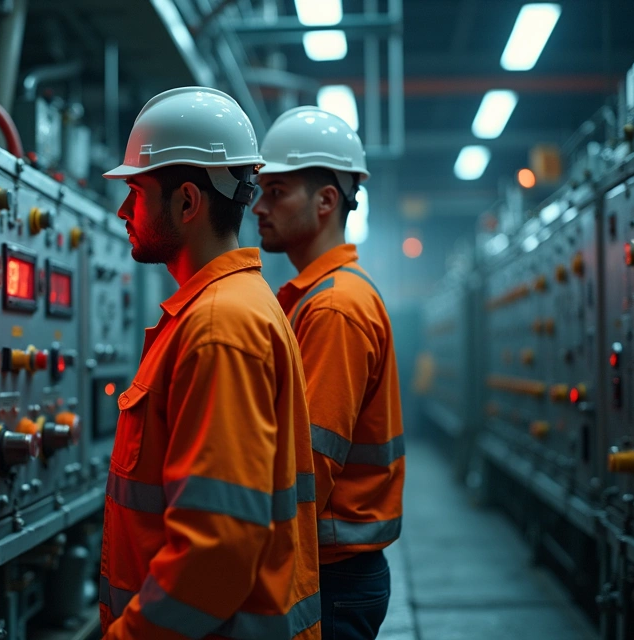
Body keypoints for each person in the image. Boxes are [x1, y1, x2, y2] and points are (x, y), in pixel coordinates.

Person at [98, 87, 321, 640]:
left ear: (188, 202)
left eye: (136, 192)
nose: (124, 210)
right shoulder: (223, 311)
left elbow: (215, 552)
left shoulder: (220, 327)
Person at [252, 107, 405, 640]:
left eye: (276, 192)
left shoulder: (334, 307)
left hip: (331, 571)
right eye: (260, 191)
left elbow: (309, 461)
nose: (259, 207)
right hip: (332, 563)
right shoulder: (313, 297)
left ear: (325, 201)